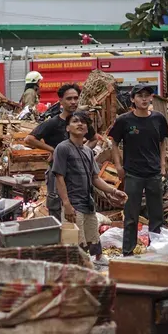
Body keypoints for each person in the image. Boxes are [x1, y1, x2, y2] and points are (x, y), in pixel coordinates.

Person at [51, 112, 125, 261]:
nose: (80, 124)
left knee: (92, 236)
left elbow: (95, 178)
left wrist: (114, 191)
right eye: (75, 121)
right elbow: (59, 177)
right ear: (67, 128)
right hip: (73, 203)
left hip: (87, 202)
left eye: (83, 122)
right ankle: (78, 269)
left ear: (87, 129)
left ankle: (98, 261)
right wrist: (66, 204)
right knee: (74, 241)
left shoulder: (87, 152)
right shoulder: (63, 148)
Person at [109, 85, 168, 256]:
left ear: (151, 98)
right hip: (133, 174)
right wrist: (118, 166)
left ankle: (155, 250)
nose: (144, 99)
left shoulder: (158, 119)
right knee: (131, 216)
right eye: (140, 96)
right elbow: (114, 142)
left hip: (154, 174)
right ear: (132, 99)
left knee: (156, 216)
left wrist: (163, 166)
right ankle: (127, 253)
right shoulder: (124, 120)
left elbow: (162, 143)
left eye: (147, 96)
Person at [25, 83, 89, 218]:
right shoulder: (53, 123)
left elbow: (94, 138)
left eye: (76, 98)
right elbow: (29, 139)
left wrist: (83, 152)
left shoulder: (81, 121)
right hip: (56, 172)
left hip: (77, 173)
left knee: (78, 207)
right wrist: (53, 150)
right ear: (60, 101)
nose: (73, 102)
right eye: (69, 99)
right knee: (56, 206)